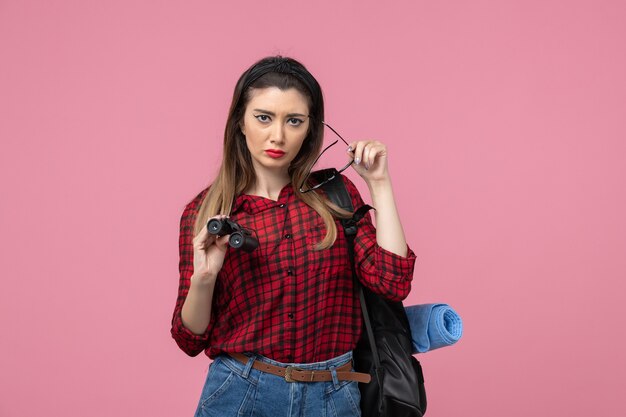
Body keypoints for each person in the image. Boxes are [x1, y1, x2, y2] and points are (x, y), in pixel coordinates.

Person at [171, 56, 416, 417]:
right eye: (264, 117)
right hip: (241, 391)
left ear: (310, 128)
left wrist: (379, 184)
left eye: (294, 121)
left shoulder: (335, 195)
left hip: (335, 394)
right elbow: (189, 338)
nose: (278, 136)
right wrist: (204, 278)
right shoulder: (205, 212)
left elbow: (393, 281)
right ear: (240, 120)